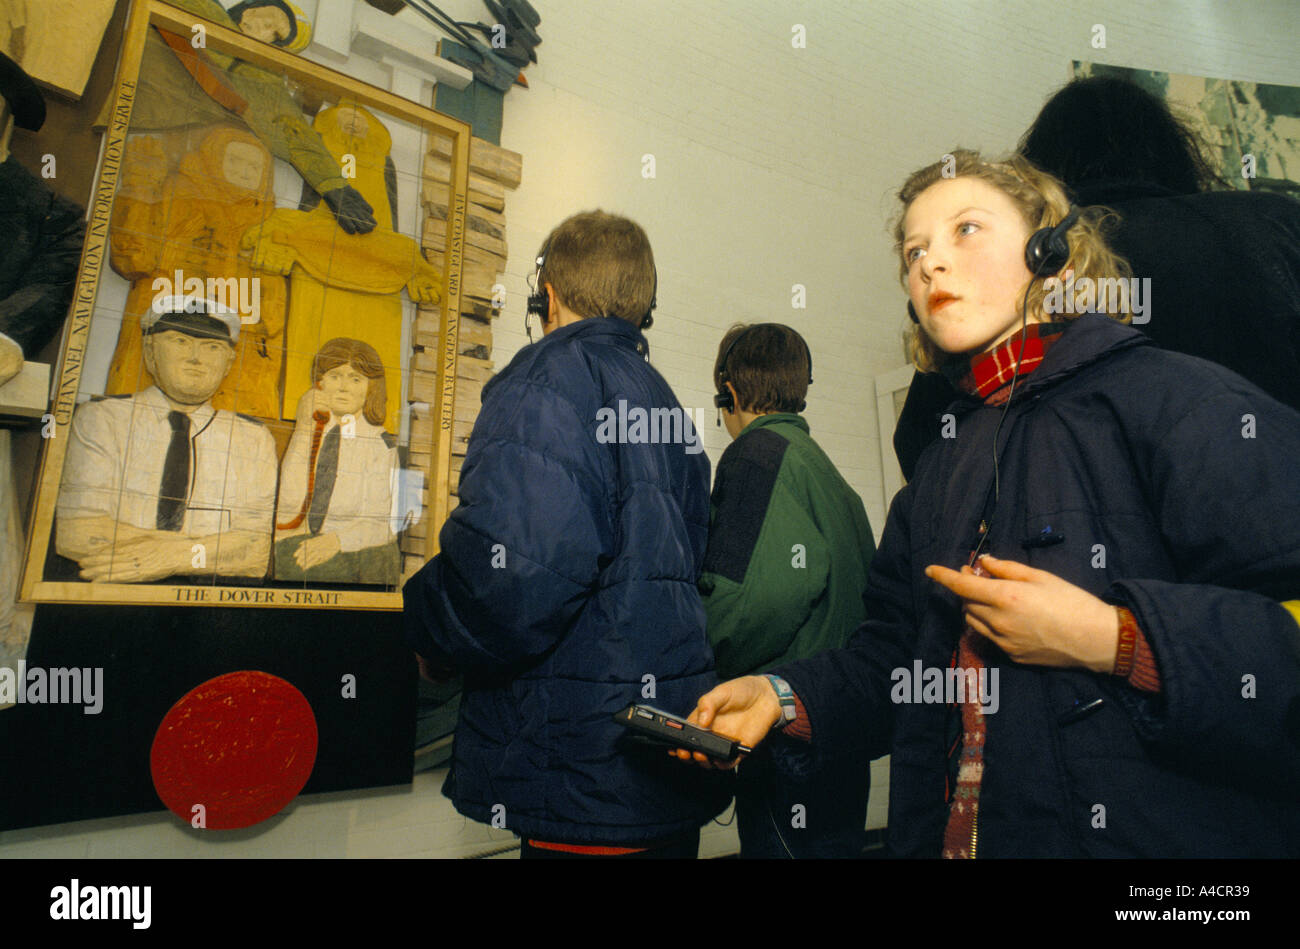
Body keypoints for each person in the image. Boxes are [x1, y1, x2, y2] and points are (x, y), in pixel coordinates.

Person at [678, 150, 1300, 858]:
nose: (930, 264)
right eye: (914, 252)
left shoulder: (1182, 401)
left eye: (965, 230)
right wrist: (782, 696)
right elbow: (895, 661)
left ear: (1054, 255)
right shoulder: (939, 469)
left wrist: (1115, 638)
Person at [404, 210, 730, 857]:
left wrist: (426, 625)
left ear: (546, 293)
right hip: (655, 760)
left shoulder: (546, 380)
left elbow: (515, 575)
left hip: (581, 763)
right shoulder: (664, 402)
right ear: (644, 306)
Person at [896, 75, 1300, 479]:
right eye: (915, 252)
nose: (931, 265)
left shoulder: (1022, 267)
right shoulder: (1276, 222)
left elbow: (917, 441)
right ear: (1171, 152)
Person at [700, 321, 875, 857]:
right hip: (835, 726)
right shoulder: (827, 475)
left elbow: (753, 600)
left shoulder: (756, 456)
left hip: (785, 744)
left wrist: (695, 662)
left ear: (728, 392)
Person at [56, 298, 278, 582]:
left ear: (228, 364)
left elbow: (255, 551)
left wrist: (172, 558)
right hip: (107, 593)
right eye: (180, 341)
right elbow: (77, 533)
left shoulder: (253, 438)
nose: (196, 357)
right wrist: (205, 549)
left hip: (209, 603)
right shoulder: (103, 419)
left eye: (213, 347)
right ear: (150, 352)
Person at [275, 337, 400, 585]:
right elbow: (287, 506)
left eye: (355, 379)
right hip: (298, 545)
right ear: (319, 383)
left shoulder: (380, 445)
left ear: (371, 387)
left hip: (349, 549)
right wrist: (303, 430)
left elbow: (382, 524)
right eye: (335, 376)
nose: (343, 387)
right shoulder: (311, 429)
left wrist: (336, 541)